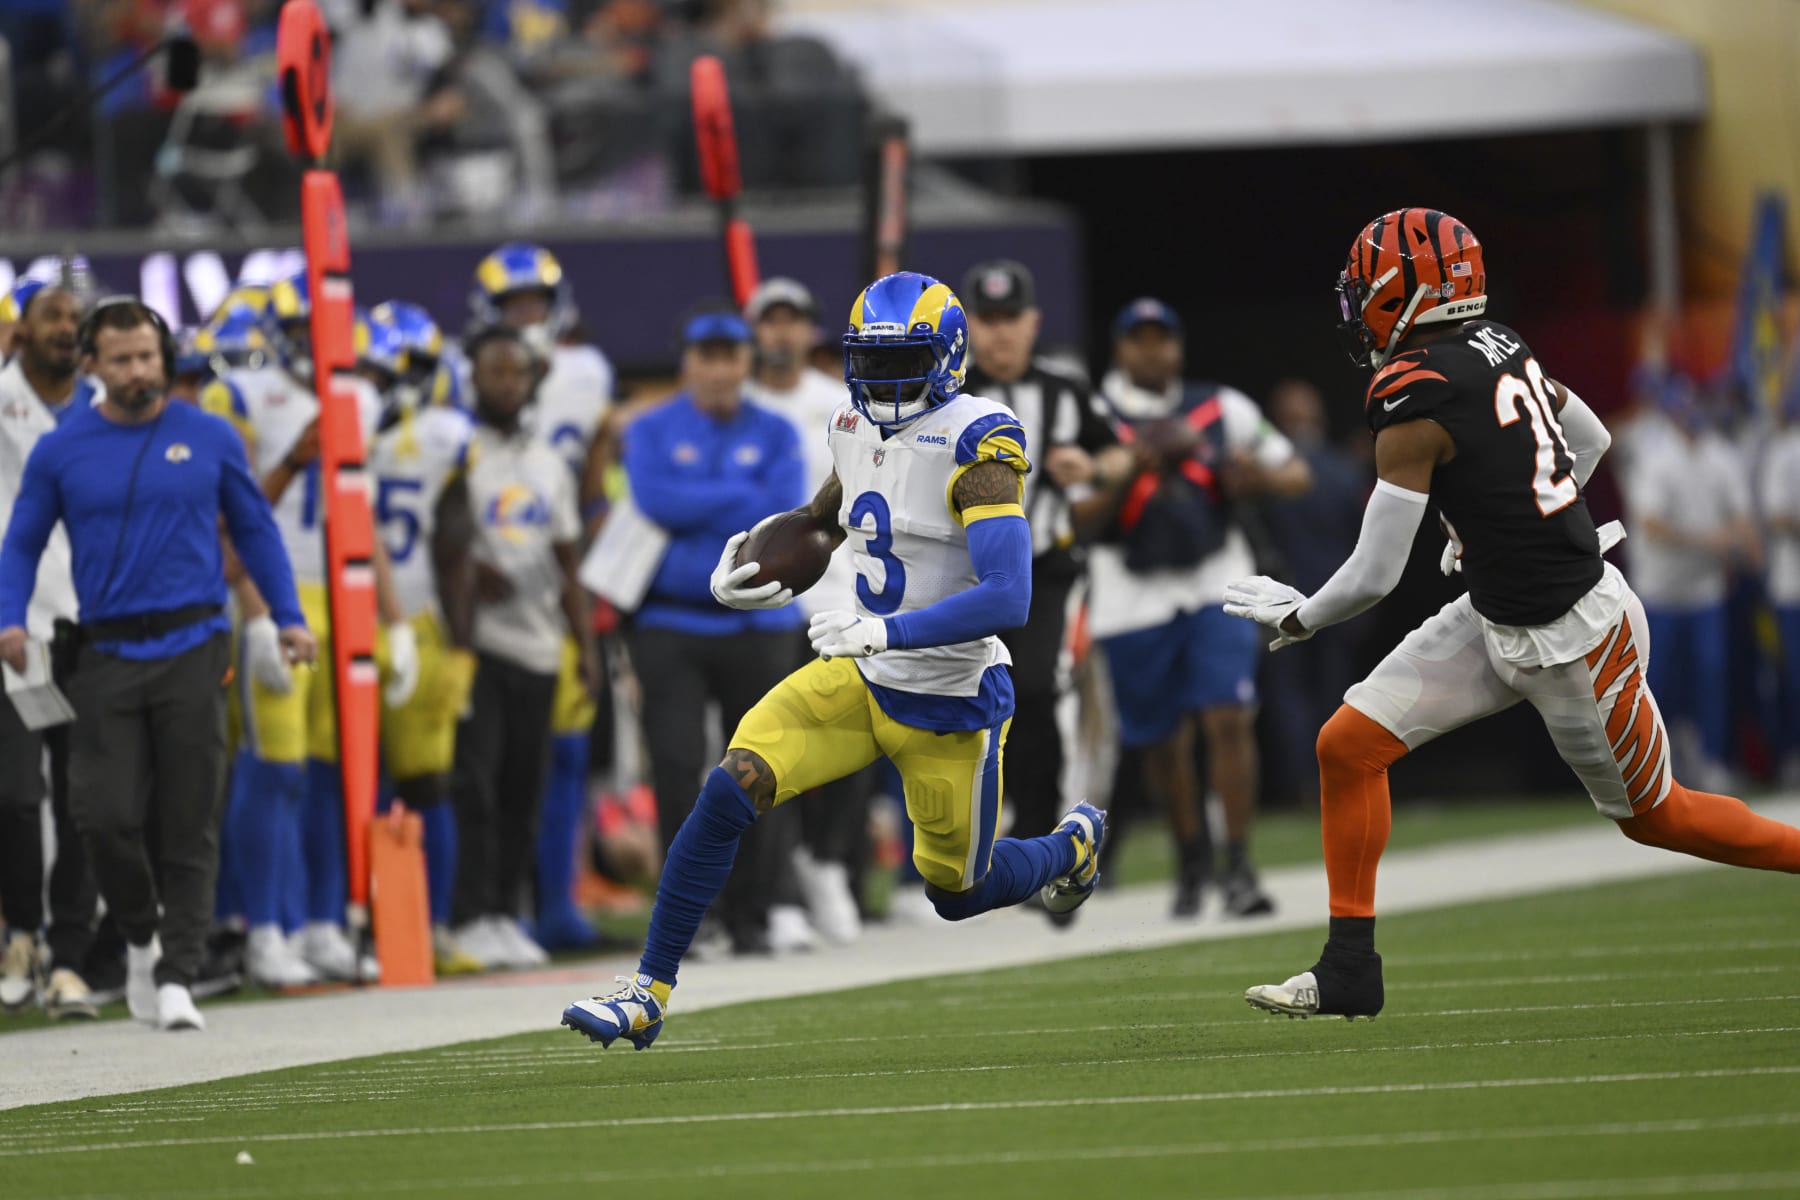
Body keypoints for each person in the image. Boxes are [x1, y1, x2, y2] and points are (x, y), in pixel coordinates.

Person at [1224, 208, 1800, 1019]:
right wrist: (1494, 526)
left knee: (1660, 818)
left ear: (1402, 289)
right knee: (1348, 745)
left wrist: (1298, 619)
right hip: (1500, 613)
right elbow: (1589, 439)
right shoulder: (1500, 343)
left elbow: (1375, 575)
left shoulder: (1409, 393)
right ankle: (1350, 968)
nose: (1355, 306)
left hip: (1575, 640)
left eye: (1365, 288)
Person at [560, 272, 1107, 1051]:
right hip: (859, 672)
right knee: (732, 786)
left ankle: (1070, 846)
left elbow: (1009, 596)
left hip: (949, 696)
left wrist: (893, 634)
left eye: (903, 361)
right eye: (869, 361)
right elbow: (824, 518)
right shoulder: (852, 422)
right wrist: (748, 559)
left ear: (947, 359)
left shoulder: (981, 440)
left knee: (958, 890)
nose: (882, 380)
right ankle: (647, 991)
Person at [0, 298, 316, 1031]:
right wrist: (10, 616)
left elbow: (254, 528)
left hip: (194, 644)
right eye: (122, 359)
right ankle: (139, 937)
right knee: (101, 817)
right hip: (104, 650)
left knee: (188, 815)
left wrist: (288, 616)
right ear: (92, 367)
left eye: (148, 356)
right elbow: (21, 541)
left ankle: (177, 969)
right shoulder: (61, 449)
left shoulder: (208, 436)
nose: (139, 371)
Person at [202, 272, 417, 987]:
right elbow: (228, 514)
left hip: (345, 592)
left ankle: (324, 922)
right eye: (296, 334)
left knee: (339, 771)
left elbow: (365, 513)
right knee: (277, 769)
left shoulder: (360, 396)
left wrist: (397, 619)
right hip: (273, 589)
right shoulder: (238, 396)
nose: (307, 348)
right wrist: (256, 607)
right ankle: (263, 928)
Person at [1087, 299, 1311, 919]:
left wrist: (1248, 478)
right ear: (1120, 348)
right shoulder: (1093, 414)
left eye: (1164, 340)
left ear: (1180, 348)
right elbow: (1074, 508)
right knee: (1162, 740)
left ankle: (1237, 864)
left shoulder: (1221, 406)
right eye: (1140, 340)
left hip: (1217, 578)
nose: (1153, 352)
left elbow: (1293, 471)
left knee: (1229, 713)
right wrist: (1130, 464)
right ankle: (1192, 856)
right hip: (1128, 590)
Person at [621, 305, 806, 957]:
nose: (721, 369)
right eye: (708, 355)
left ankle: (758, 909)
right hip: (670, 620)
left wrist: (698, 498)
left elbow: (781, 505)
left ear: (747, 362)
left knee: (760, 769)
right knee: (674, 767)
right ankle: (696, 914)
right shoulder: (649, 429)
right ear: (688, 363)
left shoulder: (779, 430)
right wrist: (736, 493)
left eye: (732, 355)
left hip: (759, 620)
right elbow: (653, 499)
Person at [469, 243, 616, 952]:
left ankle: (553, 901)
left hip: (557, 575)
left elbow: (592, 475)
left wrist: (591, 565)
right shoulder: (461, 376)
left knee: (561, 753)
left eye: (534, 302)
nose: (526, 316)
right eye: (511, 306)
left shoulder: (587, 372)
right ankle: (498, 905)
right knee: (486, 758)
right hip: (488, 582)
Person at [960, 260, 1118, 911]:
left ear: (1033, 323)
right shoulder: (946, 394)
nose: (1000, 335)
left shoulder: (1065, 390)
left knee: (1031, 691)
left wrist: (1093, 464)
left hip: (1043, 570)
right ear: (969, 325)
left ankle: (1035, 845)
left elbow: (1120, 450)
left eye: (1011, 320)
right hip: (961, 578)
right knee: (957, 707)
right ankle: (961, 853)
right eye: (988, 320)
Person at [451, 326, 597, 969]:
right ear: (472, 377)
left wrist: (585, 647)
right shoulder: (457, 450)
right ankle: (466, 914)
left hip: (540, 644)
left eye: (516, 373)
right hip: (478, 643)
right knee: (474, 787)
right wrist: (464, 569)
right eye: (495, 372)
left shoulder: (546, 460)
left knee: (522, 788)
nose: (506, 384)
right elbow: (437, 537)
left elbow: (568, 561)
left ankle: (506, 913)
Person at [742, 276, 866, 945]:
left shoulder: (841, 405)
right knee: (771, 744)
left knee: (849, 737)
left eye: (793, 321)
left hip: (838, 593)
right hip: (765, 603)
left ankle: (827, 861)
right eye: (770, 322)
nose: (781, 334)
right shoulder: (738, 405)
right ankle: (782, 885)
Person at [364, 309, 484, 976]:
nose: (389, 384)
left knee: (425, 781)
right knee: (340, 781)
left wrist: (462, 648)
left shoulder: (441, 434)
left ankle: (427, 926)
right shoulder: (319, 422)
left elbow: (456, 546)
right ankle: (349, 921)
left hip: (418, 618)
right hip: (344, 614)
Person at [0, 280, 99, 1019]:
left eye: (73, 317)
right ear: (22, 330)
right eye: (51, 317)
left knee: (83, 799)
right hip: (15, 627)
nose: (65, 328)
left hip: (91, 623)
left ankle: (69, 953)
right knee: (14, 794)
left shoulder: (108, 407)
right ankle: (22, 933)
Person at [1619, 373, 1759, 789]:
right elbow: (1651, 523)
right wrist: (1709, 541)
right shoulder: (1657, 456)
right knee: (1658, 680)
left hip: (1705, 590)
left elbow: (1740, 516)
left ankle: (1712, 759)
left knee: (1712, 673)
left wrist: (1745, 546)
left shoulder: (1720, 455)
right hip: (1660, 589)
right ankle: (1656, 763)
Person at [1257, 379, 1373, 807]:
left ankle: (1303, 788)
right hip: (1338, 597)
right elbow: (1364, 539)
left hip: (1280, 602)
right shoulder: (1345, 468)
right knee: (1336, 695)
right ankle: (1336, 784)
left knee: (1290, 698)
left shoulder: (1267, 475)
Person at [1766, 387, 1800, 785]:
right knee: (1792, 675)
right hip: (1792, 586)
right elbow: (1777, 516)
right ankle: (1791, 754)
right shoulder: (1784, 451)